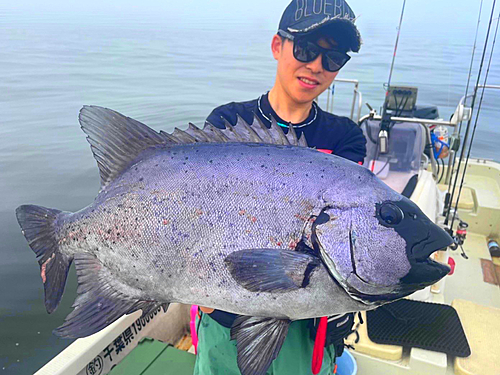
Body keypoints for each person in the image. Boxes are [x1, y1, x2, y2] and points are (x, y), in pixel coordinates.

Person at [194, 1, 366, 374]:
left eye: (333, 58)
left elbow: (346, 234)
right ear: (277, 46)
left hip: (308, 326)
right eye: (305, 50)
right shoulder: (228, 122)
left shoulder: (345, 138)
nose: (317, 66)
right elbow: (202, 215)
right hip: (228, 318)